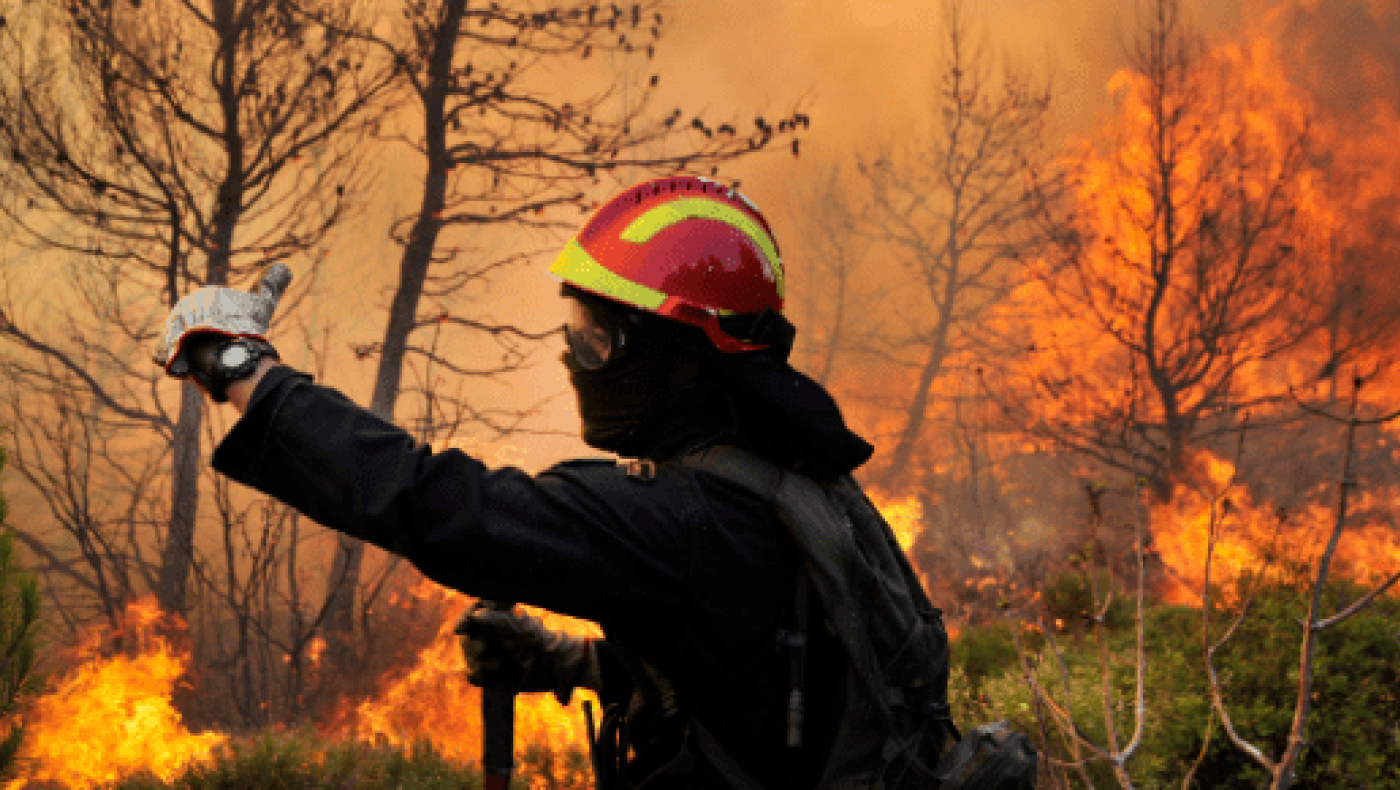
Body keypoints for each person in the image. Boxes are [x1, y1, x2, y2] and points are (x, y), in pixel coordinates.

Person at [155, 176, 926, 788]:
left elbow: (452, 510)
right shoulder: (805, 484)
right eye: (574, 332)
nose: (575, 359)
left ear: (682, 355)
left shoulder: (687, 518)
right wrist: (565, 662)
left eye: (599, 340)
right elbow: (762, 676)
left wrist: (249, 375)